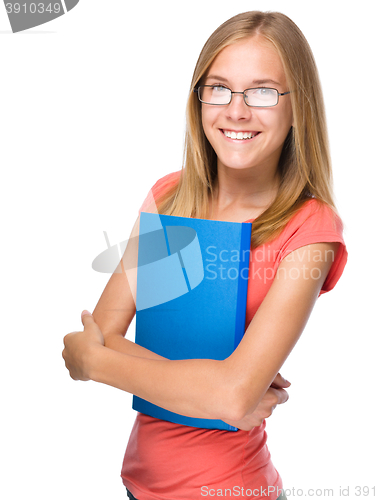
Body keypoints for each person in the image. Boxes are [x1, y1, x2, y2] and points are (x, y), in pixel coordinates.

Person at [62, 10, 348, 500]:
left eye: (262, 91)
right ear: (198, 101)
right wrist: (214, 387)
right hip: (137, 484)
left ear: (298, 106)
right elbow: (96, 336)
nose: (236, 111)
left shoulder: (312, 229)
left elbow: (234, 398)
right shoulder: (169, 196)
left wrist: (98, 363)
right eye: (218, 88)